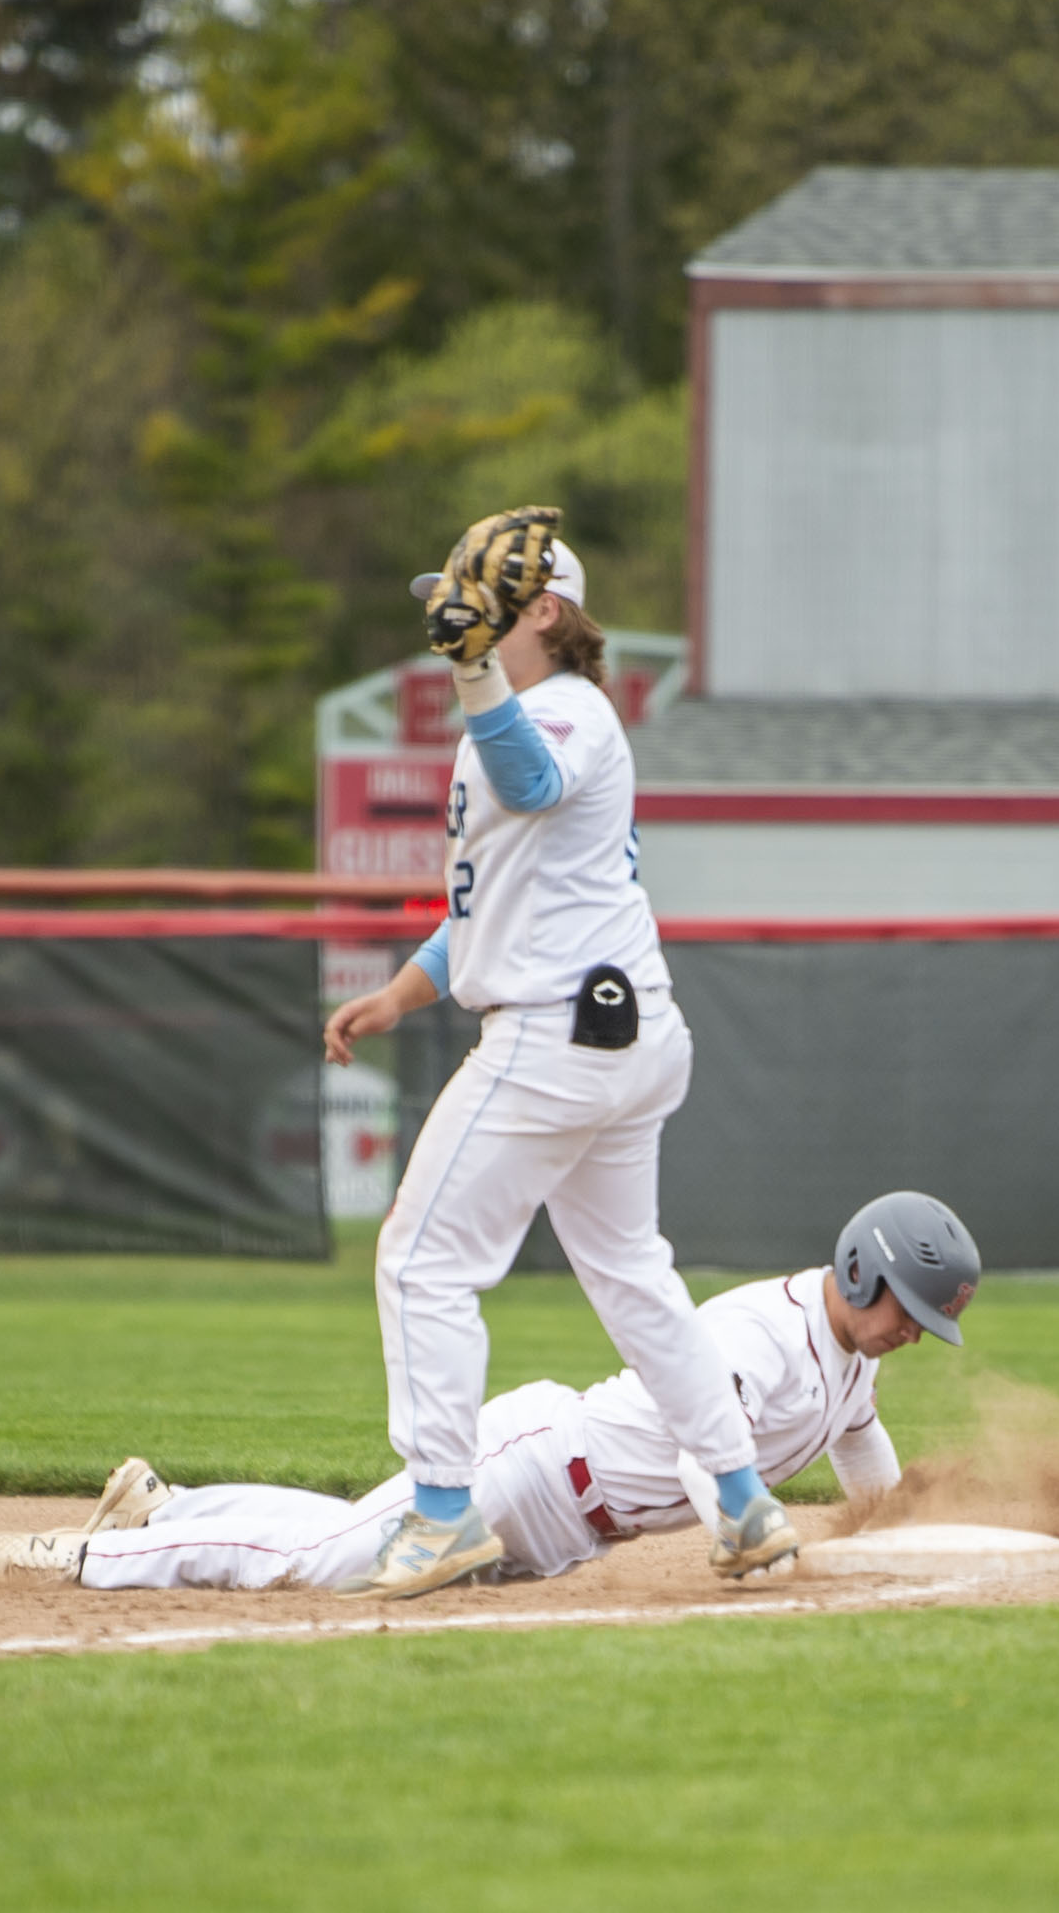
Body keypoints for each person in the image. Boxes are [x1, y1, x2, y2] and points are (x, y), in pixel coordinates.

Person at [317, 508, 781, 1600]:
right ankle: (746, 1499)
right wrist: (399, 990)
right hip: (612, 1032)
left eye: (478, 605)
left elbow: (528, 783)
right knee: (630, 1274)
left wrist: (477, 675)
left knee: (423, 1261)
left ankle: (440, 1515)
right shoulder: (520, 712)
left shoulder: (566, 712)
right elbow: (494, 901)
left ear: (544, 612)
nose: (455, 621)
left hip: (562, 1036)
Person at [0, 1194, 983, 1592]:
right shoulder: (757, 1332)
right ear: (861, 1272)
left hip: (571, 1526)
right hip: (530, 1469)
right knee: (323, 1566)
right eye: (908, 1309)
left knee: (345, 1532)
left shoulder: (853, 1360)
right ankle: (80, 1556)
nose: (911, 1333)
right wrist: (752, 1543)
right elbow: (700, 1458)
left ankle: (167, 1508)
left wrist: (891, 1529)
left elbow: (860, 1450)